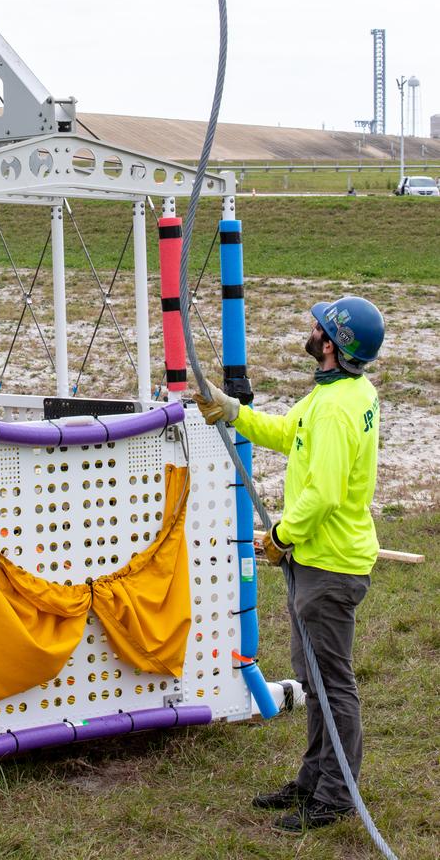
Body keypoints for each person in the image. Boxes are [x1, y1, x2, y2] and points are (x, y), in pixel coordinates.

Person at [192, 294, 385, 834]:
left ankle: (336, 795)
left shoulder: (337, 407)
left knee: (330, 682)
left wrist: (280, 536)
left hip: (327, 564)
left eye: (319, 326)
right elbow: (287, 434)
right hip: (318, 560)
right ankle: (313, 779)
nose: (312, 328)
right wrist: (233, 413)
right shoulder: (340, 394)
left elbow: (322, 494)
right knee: (313, 675)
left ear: (332, 344)